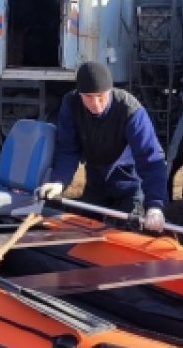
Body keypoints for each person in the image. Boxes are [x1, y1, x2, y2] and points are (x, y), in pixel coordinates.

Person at [35, 62, 168, 232]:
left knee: (125, 235)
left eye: (101, 96)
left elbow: (151, 159)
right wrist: (59, 181)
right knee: (84, 231)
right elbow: (67, 149)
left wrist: (156, 204)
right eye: (88, 97)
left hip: (129, 185)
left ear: (110, 91)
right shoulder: (71, 104)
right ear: (80, 94)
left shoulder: (129, 110)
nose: (96, 104)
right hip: (96, 182)